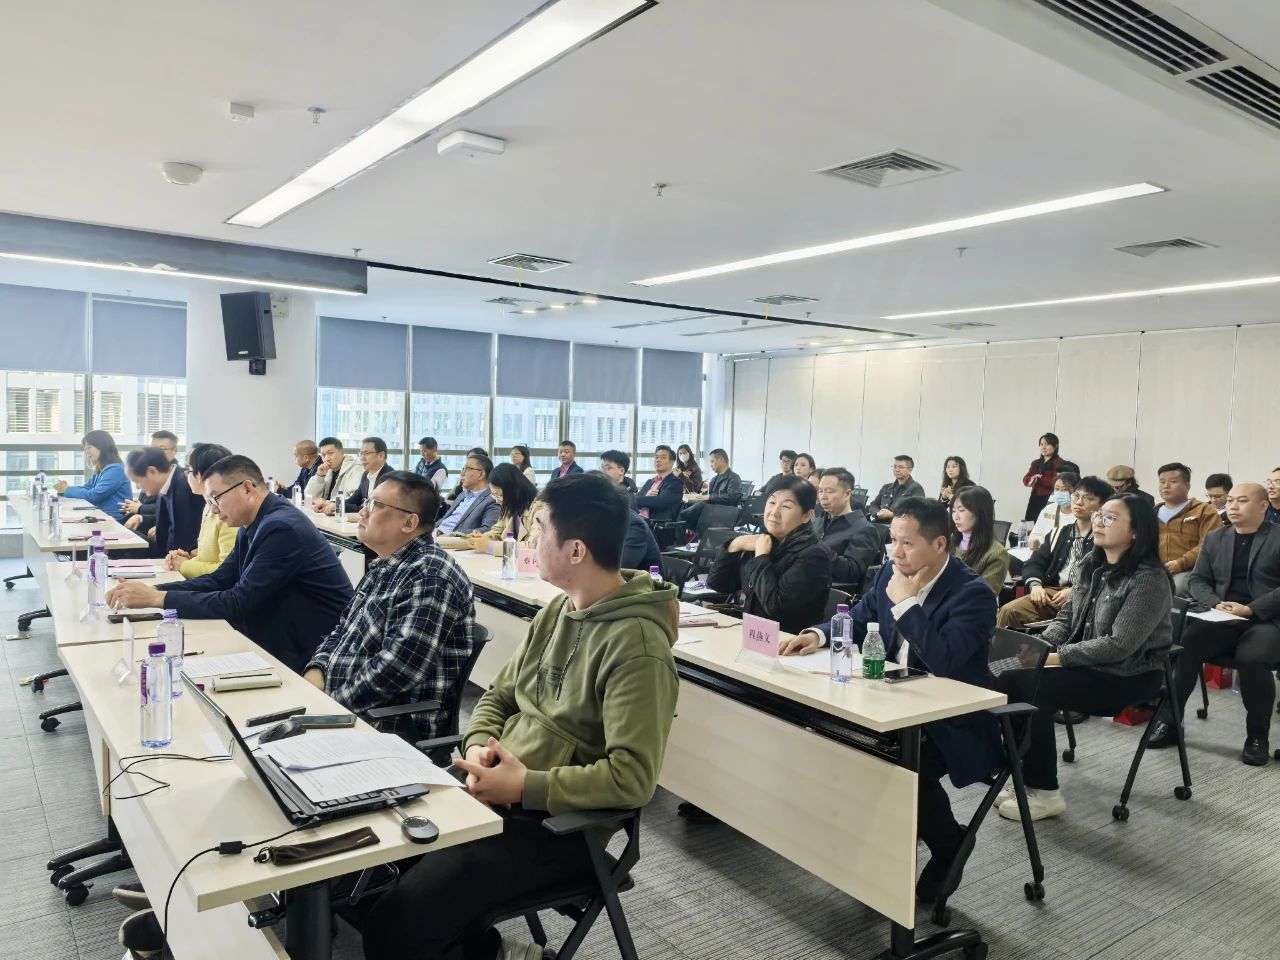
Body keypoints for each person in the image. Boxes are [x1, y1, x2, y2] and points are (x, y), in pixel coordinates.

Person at [359, 472, 680, 960]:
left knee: (394, 925)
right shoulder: (557, 611)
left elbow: (633, 779)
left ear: (576, 550)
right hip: (499, 793)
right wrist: (477, 749)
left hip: (558, 827)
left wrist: (523, 785)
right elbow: (498, 697)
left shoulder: (638, 648)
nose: (529, 541)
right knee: (370, 865)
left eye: (539, 529)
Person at [780, 497, 1002, 903]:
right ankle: (881, 839)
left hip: (950, 719)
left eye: (907, 543)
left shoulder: (973, 594)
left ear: (940, 544)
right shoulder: (891, 571)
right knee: (830, 738)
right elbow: (860, 616)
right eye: (893, 541)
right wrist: (818, 634)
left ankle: (949, 842)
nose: (896, 552)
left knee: (896, 761)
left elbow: (944, 661)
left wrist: (906, 604)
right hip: (890, 699)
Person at [997, 492, 1173, 821]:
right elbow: (1066, 619)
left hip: (1128, 675)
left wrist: (1056, 658)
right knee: (1003, 673)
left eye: (1110, 518)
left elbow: (1119, 645)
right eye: (1099, 516)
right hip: (1084, 663)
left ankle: (1045, 791)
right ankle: (1024, 775)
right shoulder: (1091, 564)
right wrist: (1040, 648)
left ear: (1136, 532)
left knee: (1032, 687)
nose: (1099, 523)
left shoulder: (1149, 579)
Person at [105, 455, 353, 674]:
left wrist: (157, 599)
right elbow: (221, 579)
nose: (213, 510)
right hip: (277, 635)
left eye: (216, 499)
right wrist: (154, 591)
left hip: (311, 652)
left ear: (246, 488)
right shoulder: (254, 520)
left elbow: (238, 602)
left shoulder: (281, 527)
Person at [304, 472, 475, 741]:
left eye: (375, 505)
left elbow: (398, 668)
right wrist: (316, 671)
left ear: (409, 523)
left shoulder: (429, 576)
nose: (362, 511)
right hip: (347, 709)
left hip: (386, 726)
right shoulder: (385, 565)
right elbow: (342, 630)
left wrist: (330, 707)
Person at [1149, 483, 1280, 766]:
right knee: (1185, 646)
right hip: (1221, 616)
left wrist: (1251, 609)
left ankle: (1257, 736)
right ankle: (1169, 722)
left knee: (1253, 659)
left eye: (1241, 501)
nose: (1232, 506)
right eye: (1230, 500)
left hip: (1265, 619)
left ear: (1263, 506)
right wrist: (1214, 603)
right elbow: (1198, 580)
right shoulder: (1216, 538)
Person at [706, 476, 831, 634]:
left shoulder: (814, 555)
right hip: (752, 635)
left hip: (788, 641)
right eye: (771, 502)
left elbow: (775, 607)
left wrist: (761, 557)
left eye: (786, 506)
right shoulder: (764, 541)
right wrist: (734, 546)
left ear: (806, 515)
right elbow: (719, 584)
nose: (774, 512)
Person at [997, 475, 1111, 629]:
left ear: (1102, 505)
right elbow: (1034, 562)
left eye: (1088, 498)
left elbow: (1106, 575)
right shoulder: (1059, 532)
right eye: (1076, 496)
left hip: (1086, 596)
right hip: (1051, 593)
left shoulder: (1104, 538)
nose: (1079, 502)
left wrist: (1074, 591)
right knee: (1009, 611)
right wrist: (1036, 586)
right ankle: (1003, 646)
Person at [164, 443, 237, 579]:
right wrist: (189, 560)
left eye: (188, 470)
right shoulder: (208, 506)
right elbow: (209, 558)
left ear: (199, 475)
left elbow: (227, 572)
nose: (186, 475)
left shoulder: (228, 512)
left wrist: (184, 565)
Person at [1155, 462, 1222, 595]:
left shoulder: (1204, 511)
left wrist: (1180, 563)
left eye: (1173, 481)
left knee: (1174, 587)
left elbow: (1209, 544)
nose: (1166, 486)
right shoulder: (1152, 512)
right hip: (1156, 570)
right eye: (1162, 482)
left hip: (1191, 570)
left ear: (1187, 486)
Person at [126, 447, 203, 559]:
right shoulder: (167, 485)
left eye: (136, 481)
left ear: (152, 471)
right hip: (168, 555)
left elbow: (185, 540)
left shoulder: (185, 487)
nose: (137, 487)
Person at [812, 468, 881, 587]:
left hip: (827, 589)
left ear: (847, 494)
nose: (823, 497)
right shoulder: (819, 521)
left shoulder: (864, 530)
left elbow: (852, 571)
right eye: (820, 491)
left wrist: (818, 550)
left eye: (829, 491)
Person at [463, 463, 543, 549]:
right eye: (494, 495)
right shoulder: (511, 505)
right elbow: (497, 532)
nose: (497, 500)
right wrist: (481, 538)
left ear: (515, 490)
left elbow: (532, 546)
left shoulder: (539, 508)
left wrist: (490, 547)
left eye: (500, 495)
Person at [55, 430, 131, 520]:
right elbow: (88, 488)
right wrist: (66, 488)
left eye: (89, 447)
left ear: (102, 447)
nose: (86, 452)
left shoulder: (115, 470)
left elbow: (94, 496)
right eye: (85, 449)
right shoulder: (102, 469)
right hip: (102, 516)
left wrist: (67, 490)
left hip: (115, 519)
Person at [950, 485, 1010, 595]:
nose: (955, 516)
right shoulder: (948, 543)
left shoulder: (996, 553)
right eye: (953, 510)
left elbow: (983, 596)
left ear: (980, 513)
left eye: (961, 510)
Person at [120, 430, 178, 533]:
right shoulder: (146, 471)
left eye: (162, 449)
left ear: (175, 451)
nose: (156, 453)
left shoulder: (180, 480)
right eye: (153, 449)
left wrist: (141, 508)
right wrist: (136, 511)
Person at [435, 453, 501, 536]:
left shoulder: (492, 500)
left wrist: (454, 534)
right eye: (463, 469)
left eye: (467, 469)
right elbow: (444, 521)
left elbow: (488, 530)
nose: (462, 473)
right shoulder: (462, 495)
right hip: (435, 533)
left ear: (481, 474)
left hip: (451, 540)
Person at [680, 448, 742, 527]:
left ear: (721, 460)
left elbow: (732, 498)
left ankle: (678, 519)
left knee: (699, 506)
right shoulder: (714, 479)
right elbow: (708, 496)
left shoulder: (734, 478)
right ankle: (679, 522)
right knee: (686, 503)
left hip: (724, 512)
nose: (710, 465)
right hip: (712, 509)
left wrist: (709, 497)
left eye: (712, 461)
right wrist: (698, 496)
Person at [337, 436, 393, 514]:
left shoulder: (390, 478)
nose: (362, 458)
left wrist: (339, 506)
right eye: (361, 453)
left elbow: (372, 509)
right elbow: (354, 500)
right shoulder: (366, 475)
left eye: (367, 453)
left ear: (381, 455)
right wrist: (333, 504)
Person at [1022, 433, 1067, 522]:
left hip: (1050, 499)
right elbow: (1026, 479)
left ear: (1055, 446)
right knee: (1029, 522)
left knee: (1045, 523)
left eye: (1047, 444)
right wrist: (1032, 479)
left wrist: (1038, 479)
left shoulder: (1060, 463)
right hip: (1034, 498)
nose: (1043, 447)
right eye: (1041, 444)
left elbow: (1055, 482)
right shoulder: (1036, 463)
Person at [307, 437, 362, 508]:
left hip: (343, 514)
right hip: (327, 512)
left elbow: (355, 500)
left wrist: (326, 503)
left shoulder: (356, 469)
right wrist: (319, 476)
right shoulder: (327, 470)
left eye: (330, 453)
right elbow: (308, 498)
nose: (327, 459)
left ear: (342, 452)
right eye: (323, 455)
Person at [1028, 472, 1078, 549]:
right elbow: (1035, 534)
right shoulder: (1048, 509)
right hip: (1043, 551)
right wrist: (1034, 542)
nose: (1060, 493)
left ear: (1076, 492)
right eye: (1057, 489)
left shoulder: (1081, 514)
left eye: (1064, 489)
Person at [635, 445, 685, 522]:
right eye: (656, 457)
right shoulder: (650, 482)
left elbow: (661, 501)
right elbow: (636, 499)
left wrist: (638, 499)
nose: (658, 460)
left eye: (663, 457)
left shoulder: (675, 482)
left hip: (655, 524)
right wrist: (646, 496)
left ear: (671, 462)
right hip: (638, 519)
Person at [871, 455, 926, 521]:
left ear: (910, 469)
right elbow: (873, 505)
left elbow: (917, 512)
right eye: (895, 467)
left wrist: (892, 515)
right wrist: (877, 513)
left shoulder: (916, 488)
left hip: (900, 525)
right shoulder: (886, 487)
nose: (896, 470)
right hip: (879, 523)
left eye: (900, 467)